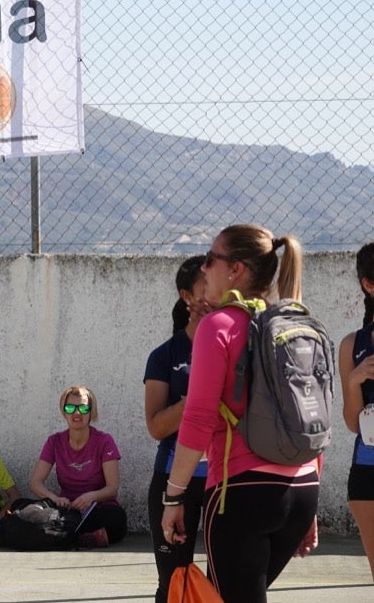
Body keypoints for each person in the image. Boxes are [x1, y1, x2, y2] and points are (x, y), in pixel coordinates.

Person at [162, 225, 320, 602]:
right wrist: (309, 507)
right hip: (301, 490)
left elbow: (198, 420)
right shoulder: (293, 324)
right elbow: (309, 418)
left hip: (241, 492)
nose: (203, 269)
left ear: (235, 270)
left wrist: (173, 499)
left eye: (209, 259)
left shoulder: (218, 326)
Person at [142, 256, 210, 603]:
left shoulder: (239, 345)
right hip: (172, 480)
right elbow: (155, 426)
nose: (217, 292)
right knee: (173, 584)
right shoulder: (164, 355)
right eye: (206, 285)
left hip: (225, 482)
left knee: (228, 580)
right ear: (187, 296)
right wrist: (196, 400)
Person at [28, 384, 127, 547]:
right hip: (66, 510)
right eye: (70, 408)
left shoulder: (104, 441)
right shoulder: (54, 442)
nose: (76, 413)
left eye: (82, 408)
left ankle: (65, 536)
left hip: (96, 510)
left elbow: (112, 488)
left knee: (116, 518)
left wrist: (91, 497)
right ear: (63, 412)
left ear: (91, 411)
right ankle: (78, 537)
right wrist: (56, 499)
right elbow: (35, 483)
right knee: (25, 508)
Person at [338, 242, 374, 581]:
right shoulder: (353, 344)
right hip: (368, 470)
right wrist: (354, 380)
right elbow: (352, 423)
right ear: (368, 285)